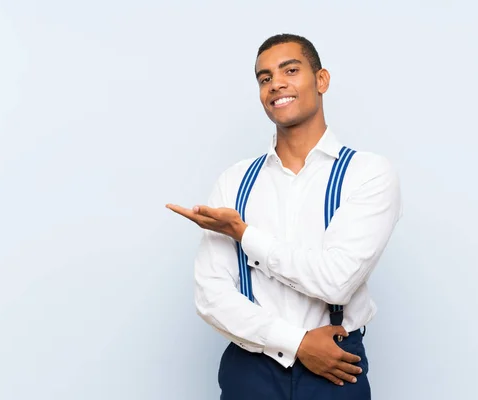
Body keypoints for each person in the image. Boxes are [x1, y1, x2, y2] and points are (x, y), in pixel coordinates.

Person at [166, 33, 402, 400]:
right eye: (264, 78)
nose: (276, 83)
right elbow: (212, 294)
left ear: (321, 80)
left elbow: (337, 280)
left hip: (337, 367)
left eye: (290, 70)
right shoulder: (235, 181)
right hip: (250, 367)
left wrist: (244, 234)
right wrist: (297, 343)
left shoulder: (367, 173)